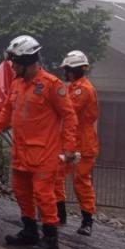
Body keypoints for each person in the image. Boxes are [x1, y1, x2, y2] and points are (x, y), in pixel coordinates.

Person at [0, 35, 78, 249]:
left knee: (44, 196)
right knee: (21, 192)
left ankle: (51, 241)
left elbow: (69, 116)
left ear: (28, 61)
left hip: (44, 153)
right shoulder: (17, 84)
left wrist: (70, 147)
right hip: (21, 152)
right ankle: (30, 230)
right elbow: (6, 113)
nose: (12, 67)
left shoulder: (52, 85)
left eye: (15, 62)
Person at [54, 50, 99, 236]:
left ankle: (87, 221)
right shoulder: (73, 87)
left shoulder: (83, 90)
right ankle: (59, 213)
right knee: (56, 176)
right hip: (68, 139)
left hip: (83, 142)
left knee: (81, 182)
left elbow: (67, 109)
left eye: (68, 69)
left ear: (76, 69)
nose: (66, 73)